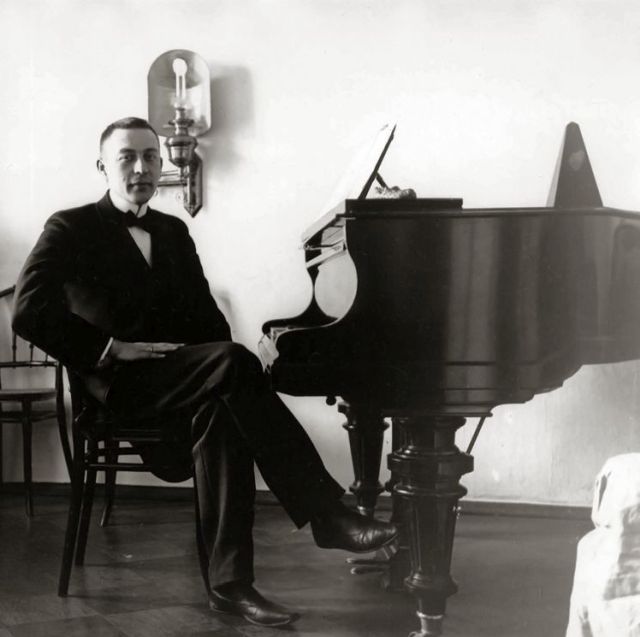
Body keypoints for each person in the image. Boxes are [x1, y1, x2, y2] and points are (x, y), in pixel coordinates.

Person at [12, 117, 397, 628]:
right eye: (127, 157)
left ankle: (230, 588)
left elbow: (208, 323)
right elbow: (27, 311)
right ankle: (325, 514)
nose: (142, 167)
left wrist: (225, 366)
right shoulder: (70, 226)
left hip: (180, 381)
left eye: (151, 156)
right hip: (120, 390)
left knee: (223, 407)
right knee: (232, 366)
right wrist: (110, 348)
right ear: (102, 166)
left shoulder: (173, 231)